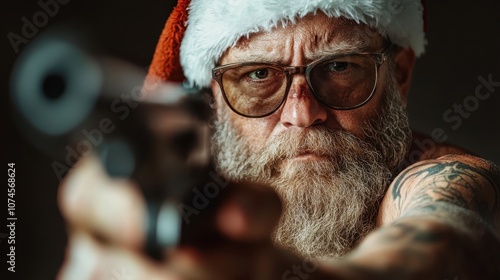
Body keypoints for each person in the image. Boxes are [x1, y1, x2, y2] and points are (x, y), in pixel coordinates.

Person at [56, 0, 500, 279]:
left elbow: (448, 233)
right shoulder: (187, 189)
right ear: (214, 99)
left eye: (341, 67)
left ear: (398, 76)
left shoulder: (439, 176)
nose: (302, 114)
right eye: (258, 76)